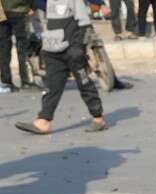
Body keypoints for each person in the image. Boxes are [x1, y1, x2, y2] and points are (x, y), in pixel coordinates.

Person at [14, 0, 106, 134]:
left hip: (72, 49)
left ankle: (98, 118)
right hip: (53, 50)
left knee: (84, 83)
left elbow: (86, 25)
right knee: (52, 87)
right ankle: (43, 121)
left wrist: (79, 47)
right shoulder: (48, 2)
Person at [0, 0, 33, 92]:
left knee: (4, 46)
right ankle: (27, 80)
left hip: (1, 10)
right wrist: (32, 6)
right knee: (23, 45)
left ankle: (6, 81)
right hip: (20, 9)